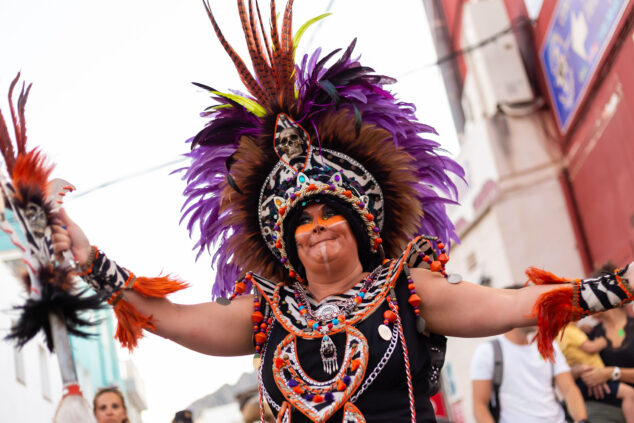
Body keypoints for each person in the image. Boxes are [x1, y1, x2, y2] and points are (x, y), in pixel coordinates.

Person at [49, 2, 634, 422]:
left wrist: (605, 290)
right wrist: (86, 256)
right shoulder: (265, 311)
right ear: (285, 243)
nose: (316, 226)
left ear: (361, 223)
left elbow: (509, 303)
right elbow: (165, 317)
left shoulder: (407, 288)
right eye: (300, 220)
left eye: (330, 212)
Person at [470, 286, 586, 423]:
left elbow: (569, 389)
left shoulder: (548, 345)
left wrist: (582, 421)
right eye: (532, 307)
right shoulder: (488, 352)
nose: (539, 313)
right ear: (511, 311)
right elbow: (480, 406)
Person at [559, 320, 634, 422]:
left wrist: (610, 373)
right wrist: (583, 372)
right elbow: (562, 373)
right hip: (597, 405)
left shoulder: (629, 327)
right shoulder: (592, 332)